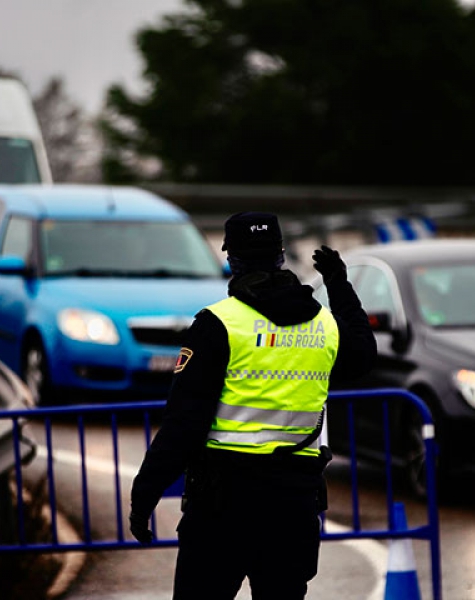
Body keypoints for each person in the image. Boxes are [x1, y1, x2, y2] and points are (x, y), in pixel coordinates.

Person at [129, 211, 376, 600]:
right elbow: (363, 353)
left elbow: (183, 425)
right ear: (280, 255)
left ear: (231, 260)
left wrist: (144, 496)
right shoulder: (325, 325)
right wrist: (339, 284)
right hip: (293, 506)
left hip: (221, 507)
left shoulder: (218, 324)